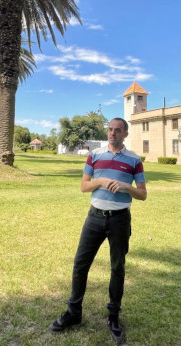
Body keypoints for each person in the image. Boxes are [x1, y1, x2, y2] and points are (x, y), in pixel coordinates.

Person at [50, 117, 147, 344]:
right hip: (94, 217)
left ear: (125, 134)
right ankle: (74, 312)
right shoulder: (94, 155)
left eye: (118, 130)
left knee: (117, 268)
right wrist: (100, 181)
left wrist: (126, 186)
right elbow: (84, 186)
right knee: (80, 264)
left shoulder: (134, 160)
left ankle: (113, 317)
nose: (112, 133)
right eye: (110, 129)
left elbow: (143, 194)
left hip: (119, 220)